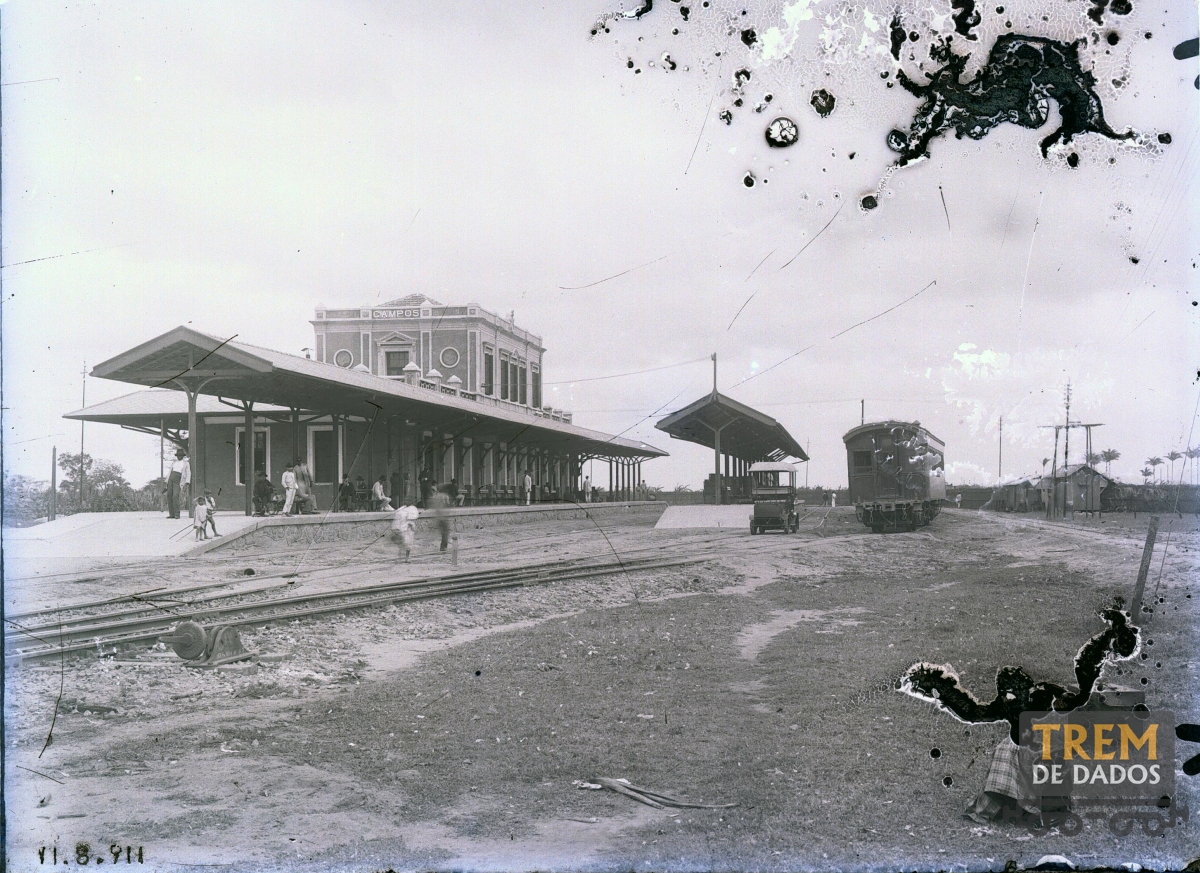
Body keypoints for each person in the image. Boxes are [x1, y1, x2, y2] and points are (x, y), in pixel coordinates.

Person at [165, 449, 190, 519]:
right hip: (171, 478)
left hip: (178, 479)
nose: (179, 457)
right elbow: (170, 472)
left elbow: (188, 473)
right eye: (178, 455)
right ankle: (172, 514)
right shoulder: (174, 463)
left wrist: (187, 482)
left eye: (180, 455)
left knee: (175, 495)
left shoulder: (186, 463)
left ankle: (177, 514)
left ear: (183, 456)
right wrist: (166, 481)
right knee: (169, 495)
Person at [428, 484, 452, 551]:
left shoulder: (434, 497)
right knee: (446, 532)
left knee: (443, 532)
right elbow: (447, 505)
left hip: (438, 516)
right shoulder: (445, 496)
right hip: (444, 516)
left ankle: (442, 546)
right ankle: (444, 547)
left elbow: (431, 505)